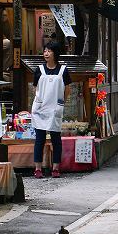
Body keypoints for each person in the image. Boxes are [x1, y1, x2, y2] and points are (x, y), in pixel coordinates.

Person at [31, 40, 71, 178]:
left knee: (56, 139)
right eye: (45, 51)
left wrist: (61, 103)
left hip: (55, 107)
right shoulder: (39, 69)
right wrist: (39, 100)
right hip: (40, 108)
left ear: (55, 53)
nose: (46, 53)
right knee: (40, 139)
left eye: (49, 51)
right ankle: (38, 168)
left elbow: (67, 89)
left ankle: (55, 168)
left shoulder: (63, 70)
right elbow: (35, 87)